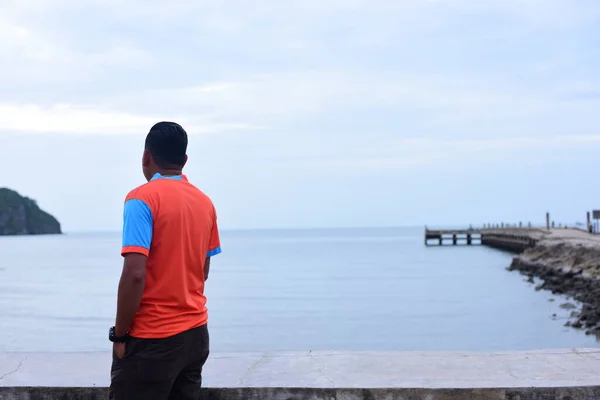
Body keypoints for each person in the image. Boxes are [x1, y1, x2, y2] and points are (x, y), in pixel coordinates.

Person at [109, 122, 221, 400]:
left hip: (152, 339)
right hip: (196, 335)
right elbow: (202, 271)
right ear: (184, 161)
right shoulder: (204, 202)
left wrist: (121, 335)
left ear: (146, 156)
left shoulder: (141, 199)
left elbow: (135, 274)